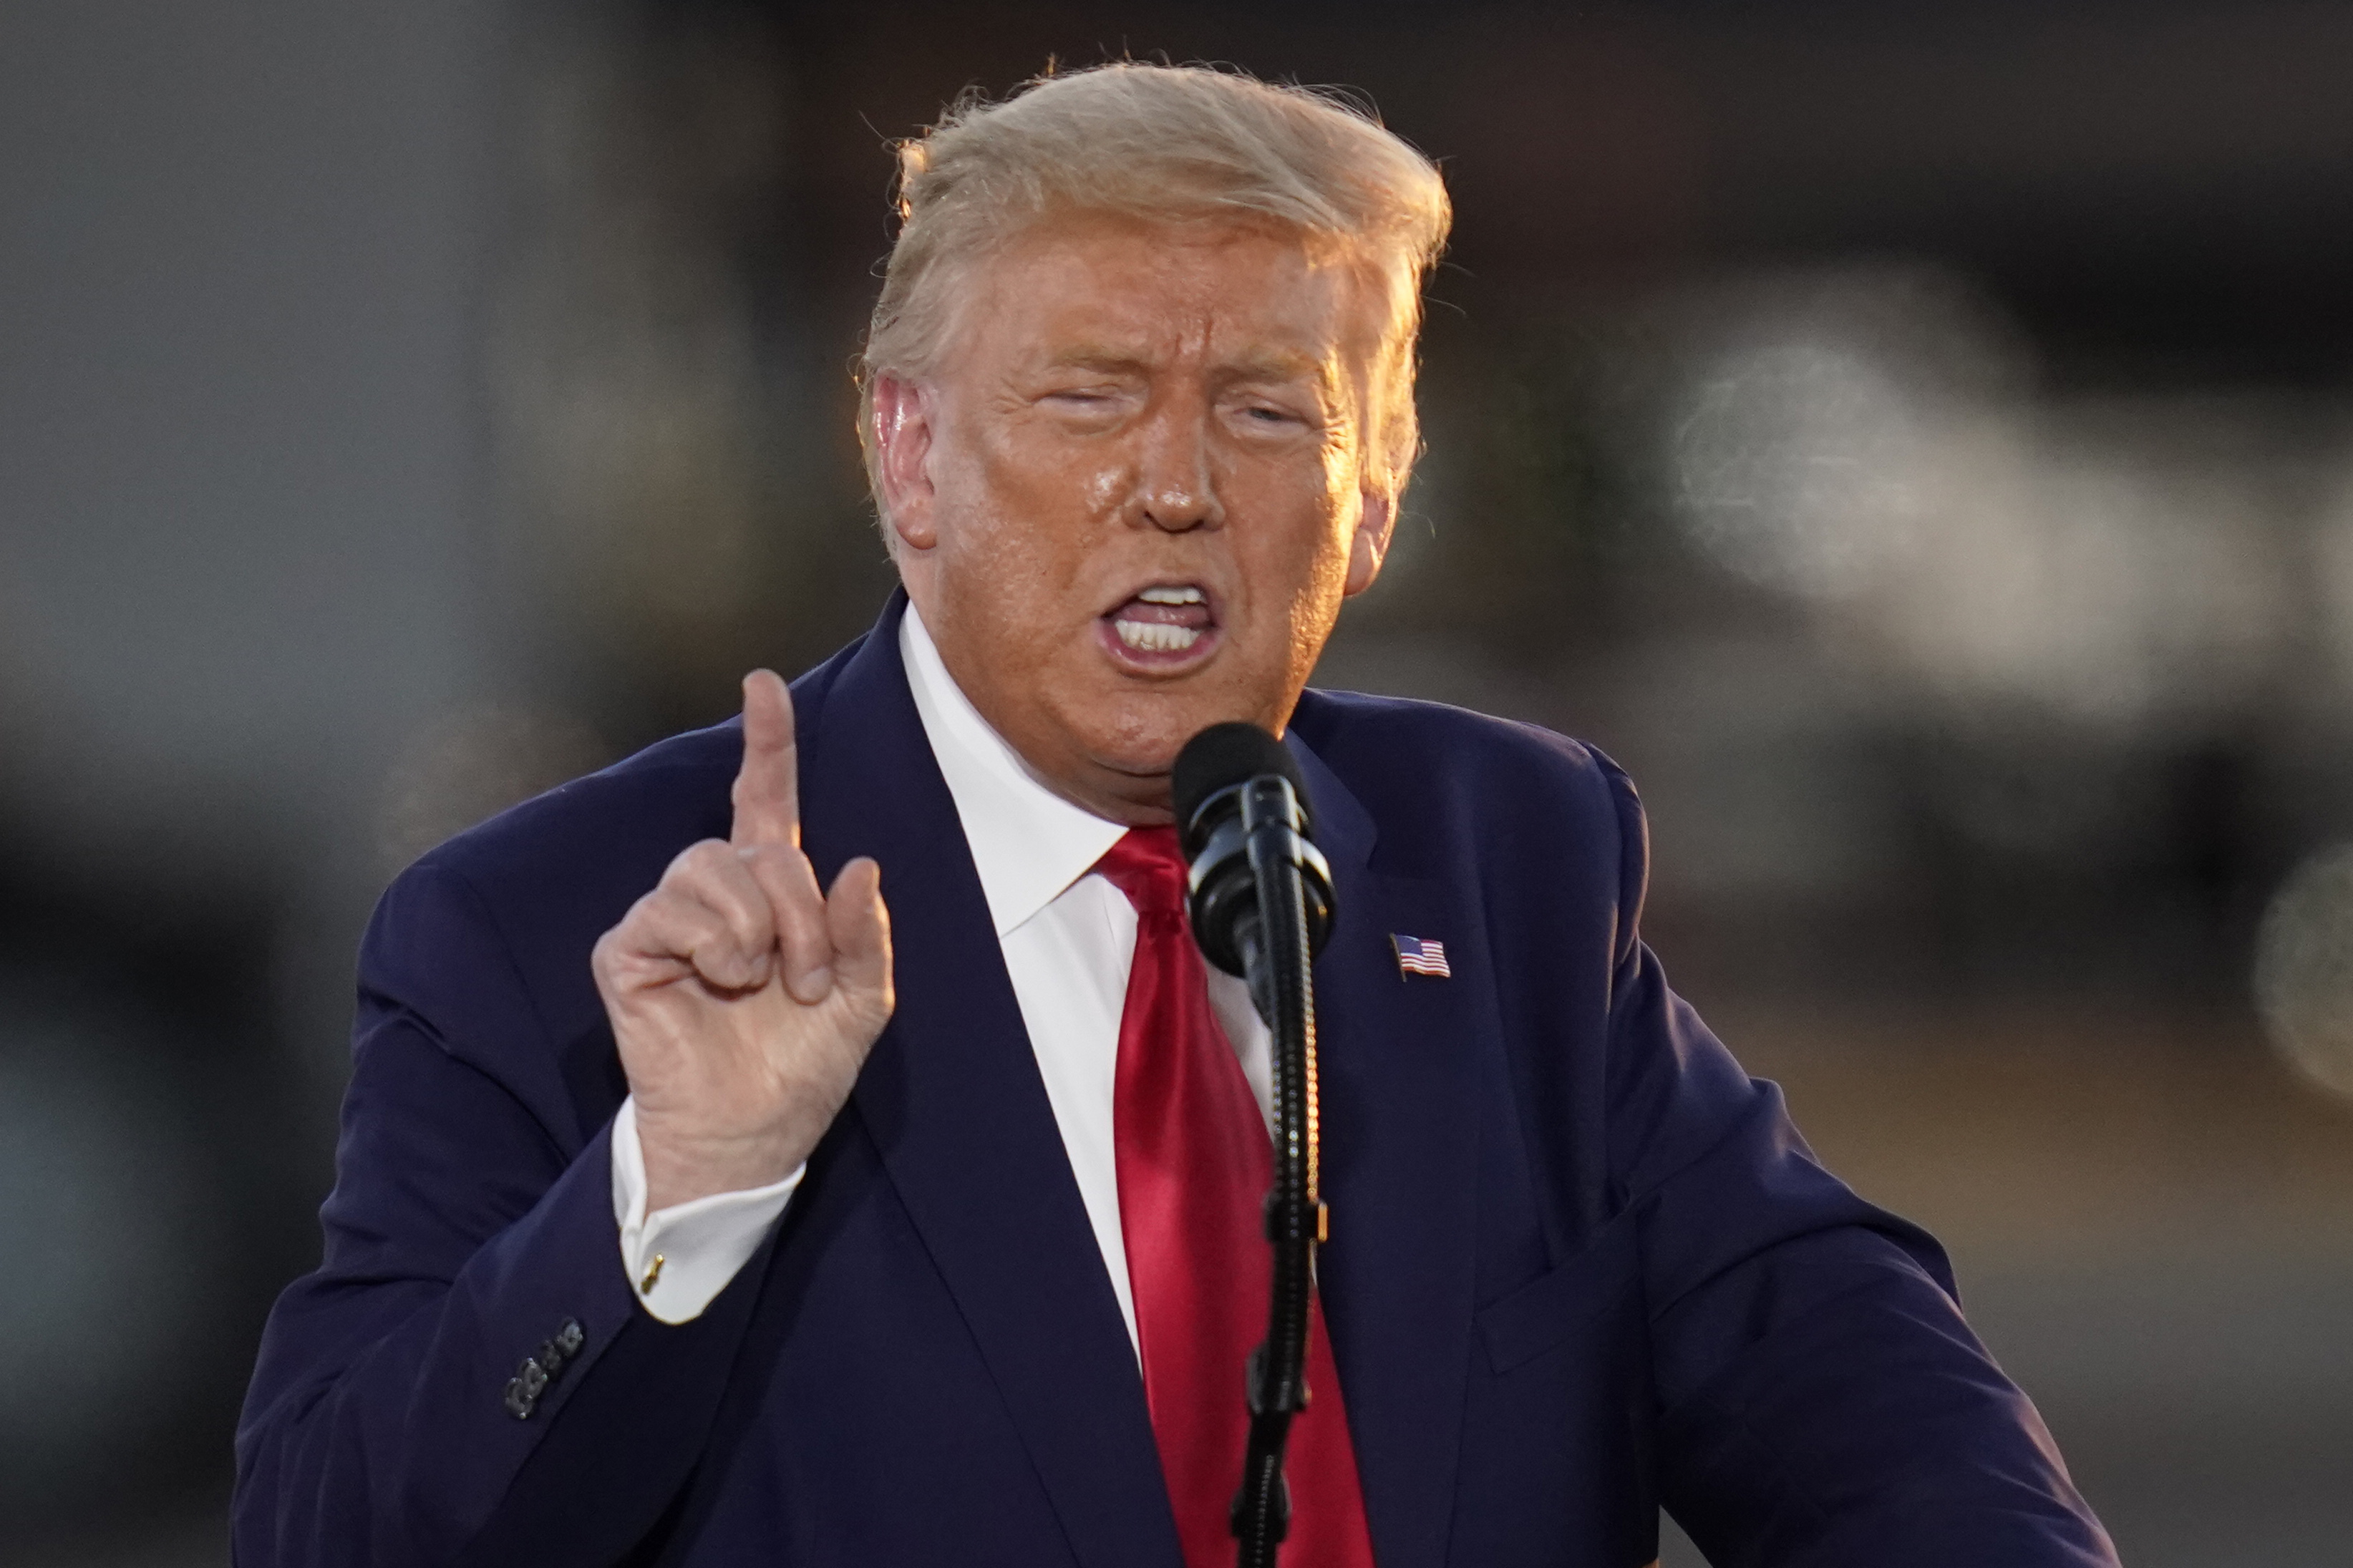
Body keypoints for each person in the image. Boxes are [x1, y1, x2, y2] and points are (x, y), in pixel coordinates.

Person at [233, 63, 2119, 1568]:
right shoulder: (548, 928)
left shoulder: (1512, 864)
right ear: (909, 455)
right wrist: (677, 1193)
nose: (1174, 488)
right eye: (1088, 396)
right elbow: (336, 1533)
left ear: (1377, 493)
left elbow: (1842, 1375)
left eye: (1273, 415)